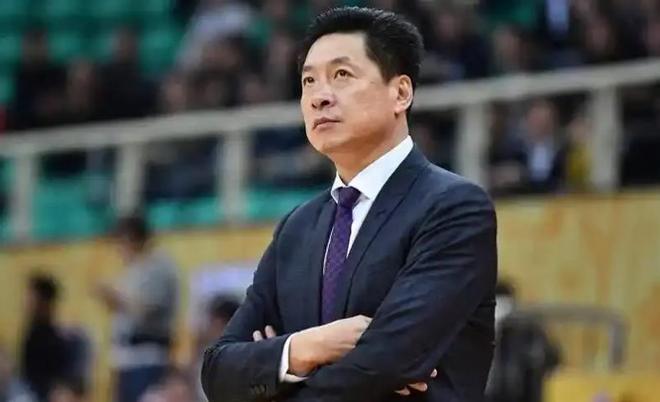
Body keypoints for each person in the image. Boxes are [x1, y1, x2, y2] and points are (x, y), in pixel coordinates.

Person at [201, 6, 497, 402]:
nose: (319, 97)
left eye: (342, 75)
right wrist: (308, 347)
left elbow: (387, 361)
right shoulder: (296, 228)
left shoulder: (454, 208)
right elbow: (217, 372)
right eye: (308, 81)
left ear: (400, 93)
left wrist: (274, 373)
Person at [95, 214, 179, 402]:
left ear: (131, 238)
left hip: (147, 356)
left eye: (120, 242)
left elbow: (148, 309)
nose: (118, 250)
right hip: (127, 357)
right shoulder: (133, 269)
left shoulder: (158, 266)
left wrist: (116, 297)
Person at [20, 275, 69, 402]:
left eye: (31, 296)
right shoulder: (32, 332)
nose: (26, 301)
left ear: (44, 301)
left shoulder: (54, 339)